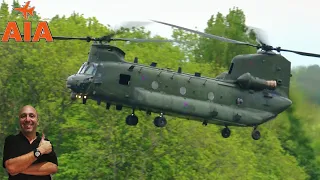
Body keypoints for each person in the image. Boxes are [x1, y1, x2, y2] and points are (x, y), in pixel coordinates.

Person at [2, 105, 58, 179]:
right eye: (23, 116)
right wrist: (40, 150)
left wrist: (18, 169)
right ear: (19, 120)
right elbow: (11, 167)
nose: (27, 119)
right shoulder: (11, 140)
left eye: (31, 116)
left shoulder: (45, 142)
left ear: (37, 121)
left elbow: (53, 168)